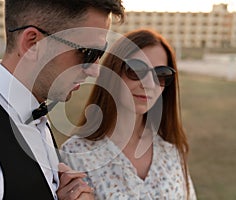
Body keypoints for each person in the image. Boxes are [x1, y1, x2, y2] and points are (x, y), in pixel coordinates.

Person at [0, 0, 125, 199]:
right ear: (33, 43)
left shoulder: (37, 116)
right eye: (88, 53)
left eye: (101, 53)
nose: (95, 70)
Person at [60, 28, 197, 199]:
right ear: (113, 72)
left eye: (161, 74)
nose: (149, 84)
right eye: (136, 70)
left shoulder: (172, 149)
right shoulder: (75, 155)